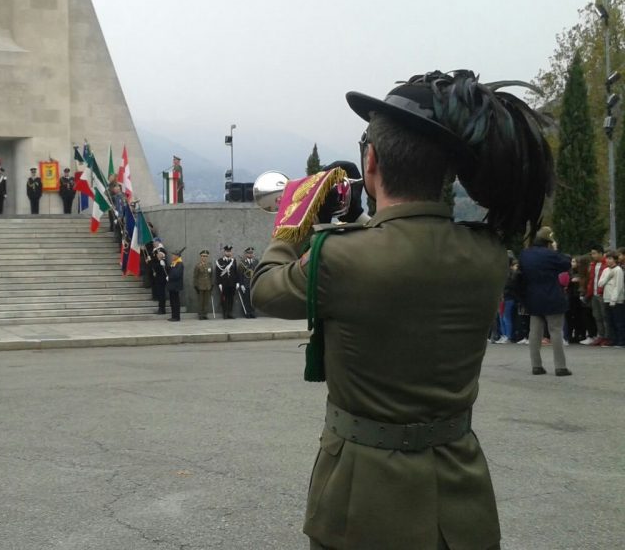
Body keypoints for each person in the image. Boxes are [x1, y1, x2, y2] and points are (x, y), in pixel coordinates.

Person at [252, 70, 554, 549]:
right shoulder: (488, 256)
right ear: (448, 174)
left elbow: (265, 290)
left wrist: (290, 223)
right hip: (459, 495)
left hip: (360, 502)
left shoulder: (340, 256)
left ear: (371, 163)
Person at [520, 227, 572, 375]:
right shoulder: (550, 255)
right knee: (555, 331)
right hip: (552, 296)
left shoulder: (525, 255)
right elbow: (566, 263)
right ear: (548, 242)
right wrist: (555, 250)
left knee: (534, 333)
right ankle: (560, 367)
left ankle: (536, 365)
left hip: (533, 297)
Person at [582, 245, 608, 345]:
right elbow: (592, 281)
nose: (593, 255)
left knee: (605, 316)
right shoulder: (593, 265)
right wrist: (588, 294)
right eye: (592, 253)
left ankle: (607, 336)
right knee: (597, 316)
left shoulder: (606, 264)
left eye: (594, 253)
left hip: (602, 294)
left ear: (601, 253)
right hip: (594, 294)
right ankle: (601, 335)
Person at [598, 252, 624, 347]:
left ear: (615, 260)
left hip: (616, 300)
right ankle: (613, 340)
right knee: (609, 321)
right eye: (607, 259)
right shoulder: (605, 270)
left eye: (610, 259)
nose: (608, 261)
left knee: (618, 321)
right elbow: (600, 284)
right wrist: (608, 276)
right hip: (606, 298)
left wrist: (614, 300)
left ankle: (621, 341)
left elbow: (618, 286)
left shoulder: (618, 270)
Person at [215, 245, 238, 319]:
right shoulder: (219, 261)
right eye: (227, 251)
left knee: (231, 299)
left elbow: (235, 272)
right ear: (224, 252)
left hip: (232, 284)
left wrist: (237, 282)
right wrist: (219, 283)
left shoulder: (233, 261)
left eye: (229, 251)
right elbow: (217, 273)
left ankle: (230, 313)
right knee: (224, 299)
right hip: (223, 284)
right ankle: (224, 313)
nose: (228, 253)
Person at [237, 247, 258, 318]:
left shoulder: (256, 262)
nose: (250, 254)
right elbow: (240, 274)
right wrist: (241, 284)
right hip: (245, 284)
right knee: (246, 299)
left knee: (252, 299)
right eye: (249, 253)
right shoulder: (242, 263)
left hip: (253, 284)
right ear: (246, 254)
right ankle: (247, 313)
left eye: (251, 253)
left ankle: (252, 312)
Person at [193, 250, 213, 320]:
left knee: (206, 301)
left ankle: (205, 314)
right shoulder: (198, 266)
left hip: (208, 286)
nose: (204, 257)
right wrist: (195, 286)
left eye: (205, 256)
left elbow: (211, 276)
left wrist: (211, 284)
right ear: (200, 257)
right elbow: (195, 276)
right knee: (201, 301)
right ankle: (200, 314)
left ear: (207, 257)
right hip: (200, 286)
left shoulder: (209, 265)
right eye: (202, 256)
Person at [166, 248, 184, 321]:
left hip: (176, 286)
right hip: (172, 285)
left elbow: (177, 274)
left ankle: (176, 317)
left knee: (175, 302)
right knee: (172, 302)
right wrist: (164, 265)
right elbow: (169, 270)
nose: (172, 256)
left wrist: (169, 277)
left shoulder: (179, 264)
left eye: (174, 255)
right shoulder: (173, 263)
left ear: (177, 256)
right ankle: (173, 316)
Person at [151, 246, 167, 315]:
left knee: (161, 295)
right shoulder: (157, 261)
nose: (157, 255)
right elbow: (154, 267)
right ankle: (160, 308)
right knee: (159, 295)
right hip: (157, 281)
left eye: (159, 254)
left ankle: (162, 309)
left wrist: (162, 264)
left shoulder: (163, 262)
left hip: (162, 281)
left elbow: (165, 270)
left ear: (162, 255)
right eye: (157, 254)